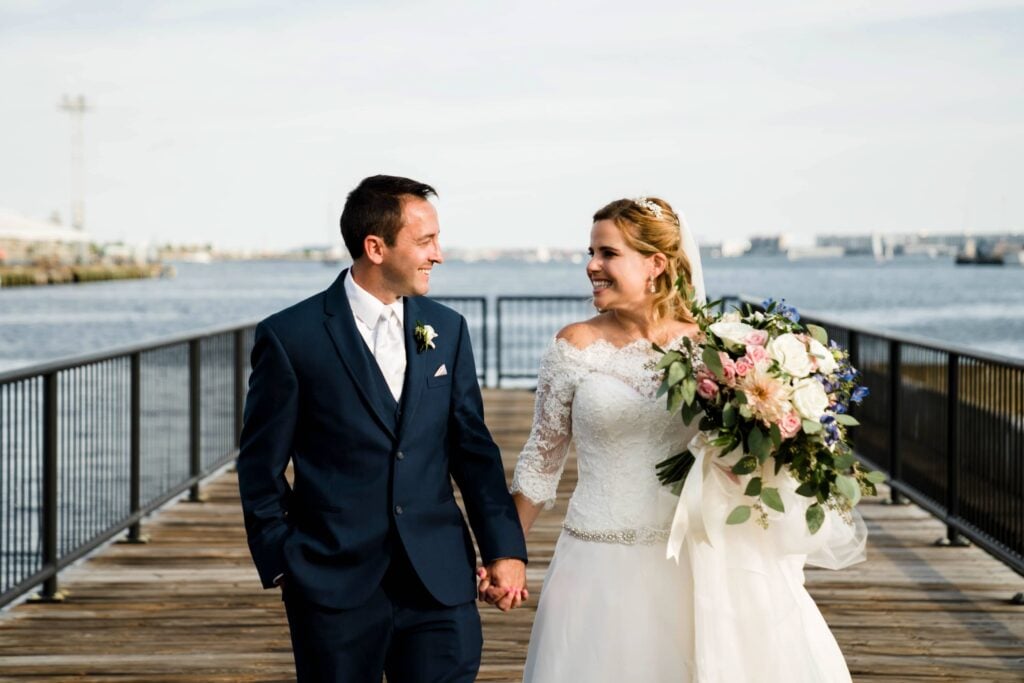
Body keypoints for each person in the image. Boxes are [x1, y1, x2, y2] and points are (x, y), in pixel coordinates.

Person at [511, 197, 863, 682]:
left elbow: (749, 456)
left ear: (656, 263)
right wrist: (504, 551)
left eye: (607, 254)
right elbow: (540, 462)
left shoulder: (720, 352)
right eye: (590, 253)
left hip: (696, 562)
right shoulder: (574, 346)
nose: (592, 266)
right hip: (595, 559)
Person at [237, 174, 528, 683]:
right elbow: (259, 466)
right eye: (425, 241)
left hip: (440, 583)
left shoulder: (448, 329)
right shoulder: (290, 337)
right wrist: (284, 560)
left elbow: (473, 451)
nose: (438, 254)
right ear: (375, 247)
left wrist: (504, 549)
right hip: (333, 585)